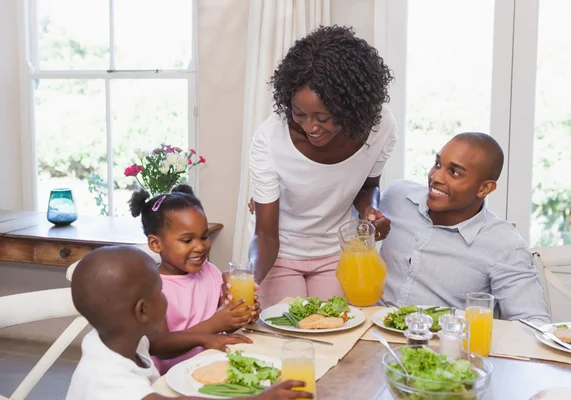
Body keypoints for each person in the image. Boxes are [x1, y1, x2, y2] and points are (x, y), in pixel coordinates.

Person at [247, 25, 398, 308]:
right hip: (279, 252)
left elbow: (367, 186)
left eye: (324, 117)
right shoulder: (270, 140)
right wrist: (248, 280)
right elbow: (265, 234)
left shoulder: (380, 127)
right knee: (284, 335)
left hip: (338, 251)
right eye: (299, 113)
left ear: (352, 108)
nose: (311, 127)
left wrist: (370, 212)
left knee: (338, 332)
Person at [66, 246, 312, 400]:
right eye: (160, 290)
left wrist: (208, 332)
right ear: (142, 311)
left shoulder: (113, 338)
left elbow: (153, 345)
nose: (165, 295)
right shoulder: (109, 380)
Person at [379, 132, 551, 324]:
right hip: (370, 337)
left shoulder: (505, 246)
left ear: (484, 189)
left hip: (442, 348)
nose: (436, 177)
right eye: (438, 164)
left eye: (454, 173)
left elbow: (532, 324)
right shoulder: (397, 197)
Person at [129, 184, 261, 374]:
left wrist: (241, 315)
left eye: (204, 236)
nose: (200, 247)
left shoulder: (211, 272)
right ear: (156, 244)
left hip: (215, 367)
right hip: (175, 379)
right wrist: (214, 325)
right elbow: (158, 345)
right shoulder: (152, 288)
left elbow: (226, 326)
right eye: (187, 240)